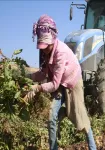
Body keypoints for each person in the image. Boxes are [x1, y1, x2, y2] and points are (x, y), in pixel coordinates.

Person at [25, 14, 97, 150]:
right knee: (52, 117)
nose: (44, 49)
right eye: (42, 46)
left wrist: (37, 88)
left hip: (72, 83)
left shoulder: (60, 52)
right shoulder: (46, 52)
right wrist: (27, 77)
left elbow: (54, 84)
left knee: (80, 117)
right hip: (59, 84)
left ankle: (92, 147)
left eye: (46, 46)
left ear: (52, 40)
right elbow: (43, 73)